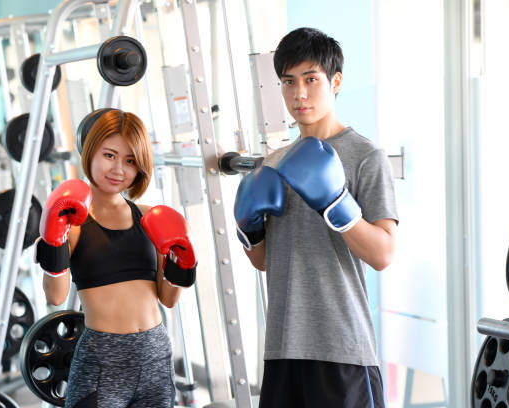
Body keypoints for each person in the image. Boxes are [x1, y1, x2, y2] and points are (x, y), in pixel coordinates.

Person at [234, 27, 399, 407]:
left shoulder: (364, 156)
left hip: (342, 348)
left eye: (311, 79)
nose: (299, 94)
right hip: (282, 347)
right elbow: (264, 262)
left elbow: (383, 254)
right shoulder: (271, 164)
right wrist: (248, 231)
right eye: (288, 82)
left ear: (335, 81)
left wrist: (337, 203)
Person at [36, 108, 197, 408]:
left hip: (155, 356)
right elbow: (55, 296)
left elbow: (168, 298)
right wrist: (52, 239)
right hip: (102, 360)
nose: (118, 170)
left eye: (130, 161)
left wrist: (183, 264)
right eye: (109, 155)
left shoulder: (150, 218)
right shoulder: (72, 224)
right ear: (89, 153)